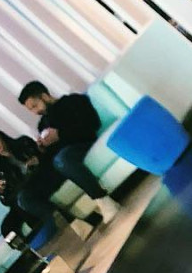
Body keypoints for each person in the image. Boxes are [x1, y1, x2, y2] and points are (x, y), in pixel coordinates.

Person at [17, 81, 120, 223]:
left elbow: (92, 124)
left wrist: (60, 134)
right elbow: (51, 154)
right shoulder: (42, 124)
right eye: (31, 110)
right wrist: (42, 150)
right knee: (24, 196)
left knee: (62, 159)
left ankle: (104, 201)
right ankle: (73, 225)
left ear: (44, 96)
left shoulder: (73, 101)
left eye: (35, 106)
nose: (35, 112)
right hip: (59, 160)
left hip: (81, 145)